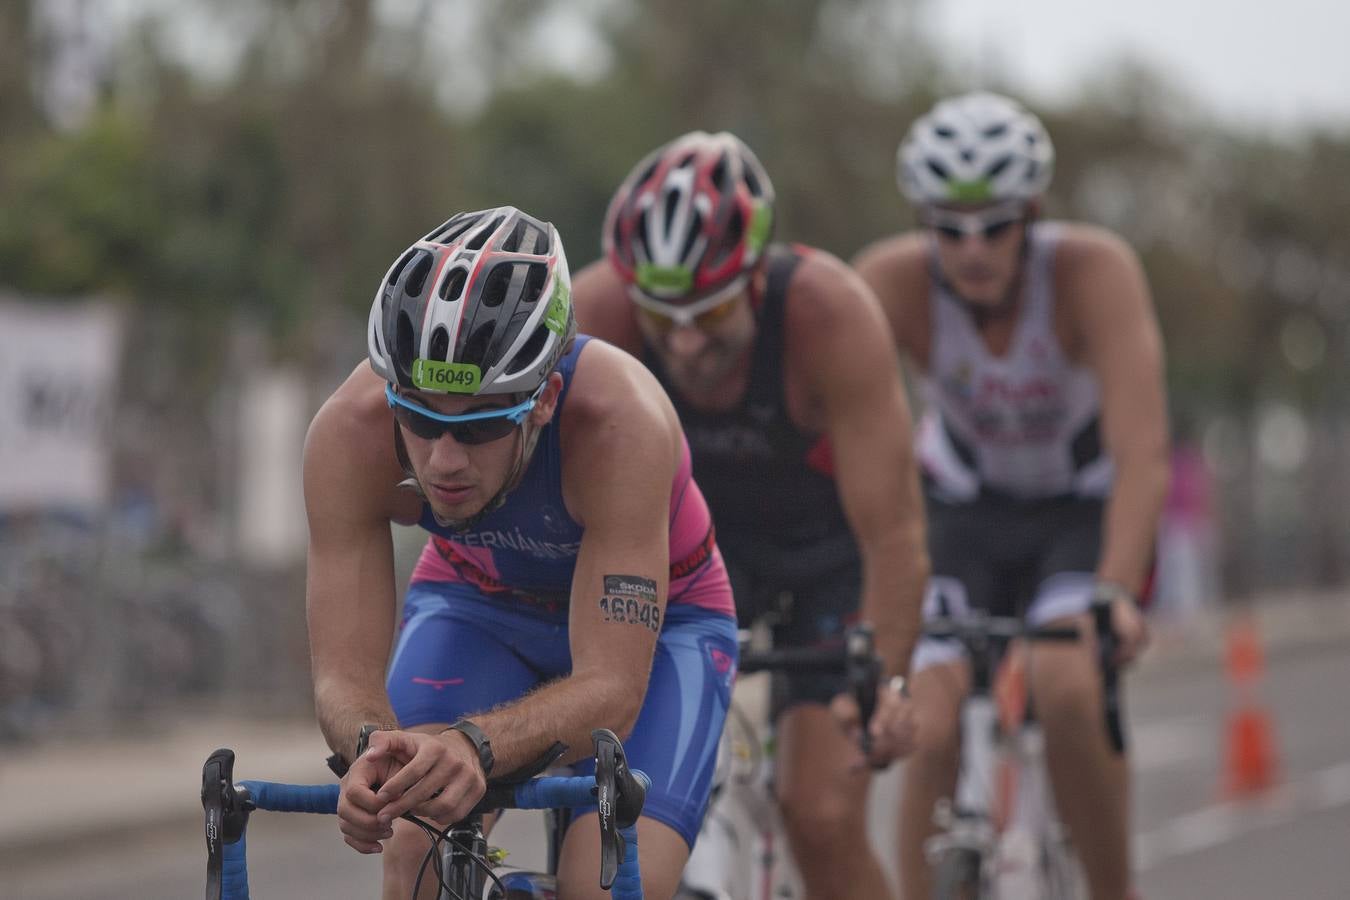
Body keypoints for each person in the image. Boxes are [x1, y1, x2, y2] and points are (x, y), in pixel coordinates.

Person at [303, 205, 741, 900]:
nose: (443, 459)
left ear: (544, 400)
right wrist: (372, 753)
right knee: (415, 838)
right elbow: (342, 674)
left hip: (665, 627)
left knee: (604, 885)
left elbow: (611, 687)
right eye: (417, 418)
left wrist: (472, 744)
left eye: (478, 426)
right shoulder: (348, 435)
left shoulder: (622, 422)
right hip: (481, 603)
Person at [572, 131, 929, 900]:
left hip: (819, 565)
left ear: (757, 282)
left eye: (710, 311)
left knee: (823, 815)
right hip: (679, 565)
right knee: (600, 819)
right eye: (662, 316)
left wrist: (886, 682)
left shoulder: (829, 314)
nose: (687, 340)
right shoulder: (598, 312)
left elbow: (895, 533)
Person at [853, 92, 1170, 900]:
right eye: (948, 230)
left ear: (1031, 212)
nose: (973, 250)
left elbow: (1142, 449)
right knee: (922, 720)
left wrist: (1117, 590)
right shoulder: (889, 282)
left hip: (1078, 512)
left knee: (1066, 689)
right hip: (960, 510)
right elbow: (843, 439)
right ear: (923, 220)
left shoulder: (1091, 272)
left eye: (995, 226)